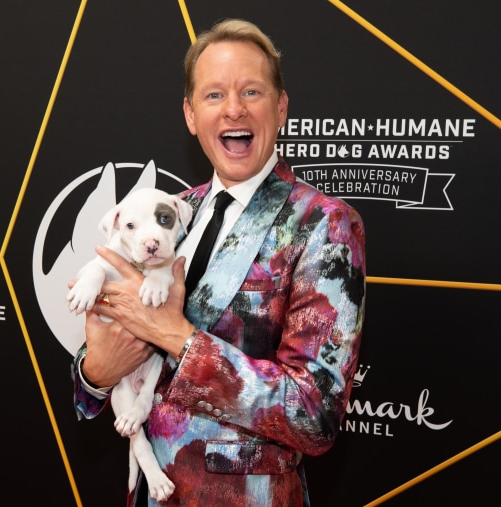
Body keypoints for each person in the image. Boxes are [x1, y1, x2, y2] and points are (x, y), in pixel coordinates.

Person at [72, 18, 366, 507]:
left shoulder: (324, 224)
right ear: (190, 115)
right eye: (213, 96)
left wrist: (176, 338)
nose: (233, 108)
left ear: (282, 108)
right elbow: (101, 359)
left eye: (251, 91)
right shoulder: (166, 215)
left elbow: (316, 417)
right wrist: (94, 373)